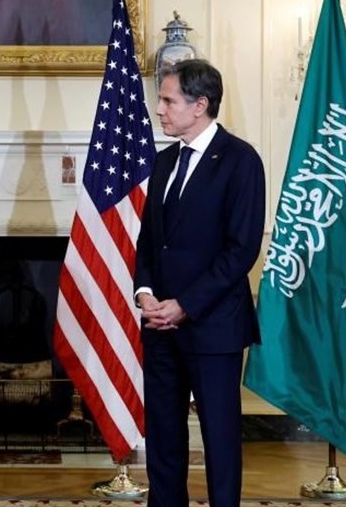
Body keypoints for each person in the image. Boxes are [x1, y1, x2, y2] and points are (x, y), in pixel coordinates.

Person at [134, 59, 265, 507]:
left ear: (200, 105)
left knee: (220, 443)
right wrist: (145, 294)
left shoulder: (241, 161)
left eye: (168, 101)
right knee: (163, 442)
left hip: (213, 327)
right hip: (159, 327)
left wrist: (184, 305)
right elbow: (149, 241)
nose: (159, 109)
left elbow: (240, 250)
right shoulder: (164, 161)